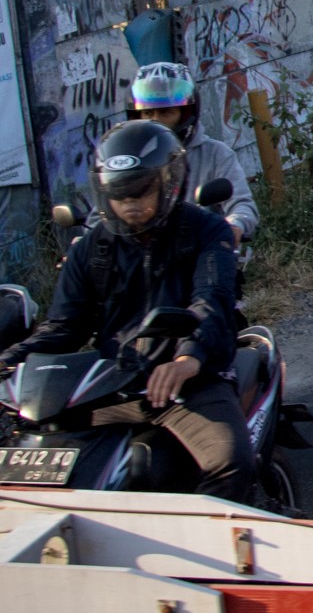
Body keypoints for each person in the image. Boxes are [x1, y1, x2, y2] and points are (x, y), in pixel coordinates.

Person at [0, 121, 252, 499]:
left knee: (229, 460)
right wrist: (10, 360)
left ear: (167, 183)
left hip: (188, 381)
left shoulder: (206, 230)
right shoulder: (91, 247)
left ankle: (221, 553)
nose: (130, 202)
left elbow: (211, 300)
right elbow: (64, 325)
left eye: (140, 190)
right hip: (109, 384)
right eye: (120, 194)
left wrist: (189, 357)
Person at [126, 62, 257, 250]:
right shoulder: (128, 160)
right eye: (148, 113)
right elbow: (105, 214)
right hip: (142, 255)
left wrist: (235, 225)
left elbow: (242, 204)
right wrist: (85, 241)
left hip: (199, 251)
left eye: (166, 112)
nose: (156, 121)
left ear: (185, 114)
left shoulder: (215, 154)